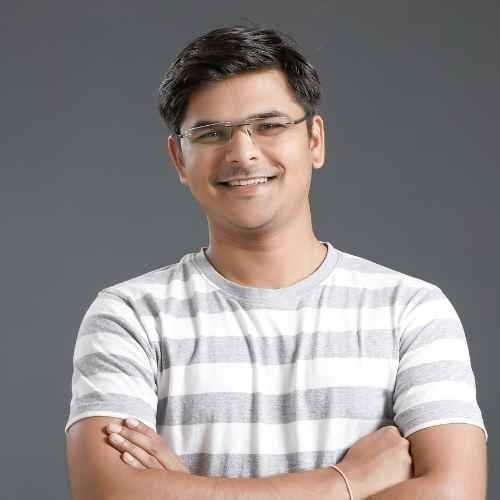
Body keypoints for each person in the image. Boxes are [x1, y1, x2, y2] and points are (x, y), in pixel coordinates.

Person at [65, 25, 487, 500]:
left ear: (314, 140)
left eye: (269, 126)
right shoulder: (130, 316)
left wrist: (188, 490)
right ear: (179, 159)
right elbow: (106, 493)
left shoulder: (411, 310)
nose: (243, 153)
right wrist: (346, 482)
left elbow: (453, 492)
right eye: (211, 133)